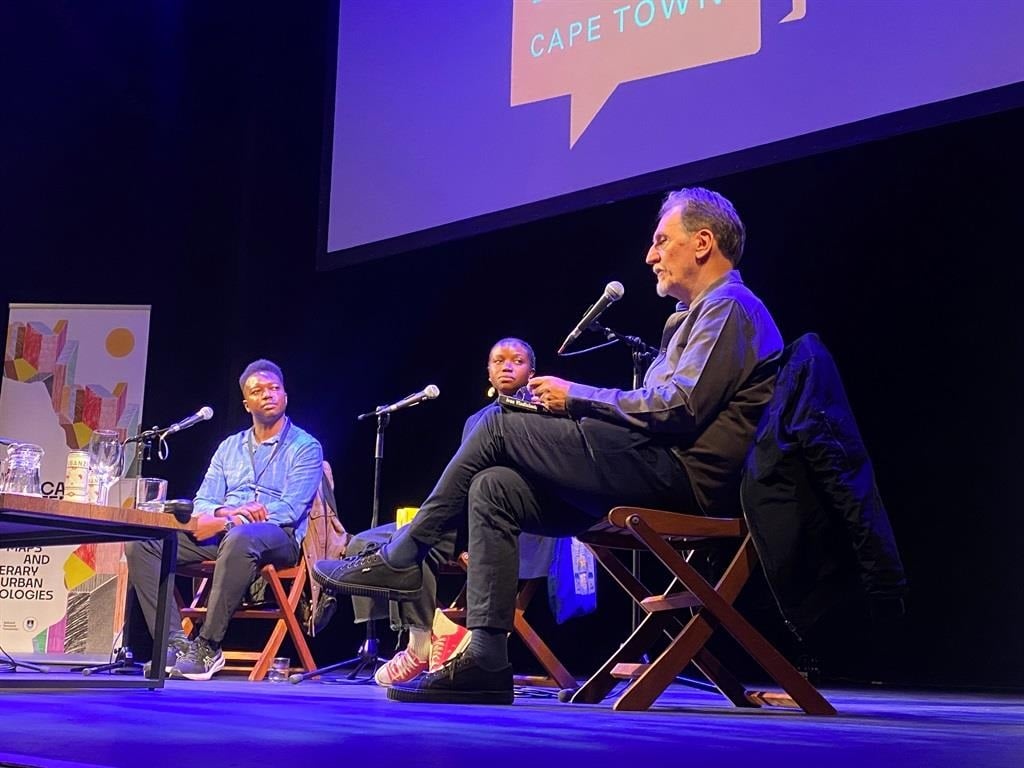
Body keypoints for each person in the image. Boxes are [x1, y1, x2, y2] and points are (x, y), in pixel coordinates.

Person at [314, 187, 784, 704]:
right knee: (494, 486)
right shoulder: (697, 316)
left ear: (702, 243)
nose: (650, 255)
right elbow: (659, 405)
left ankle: (406, 554)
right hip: (649, 464)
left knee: (496, 423)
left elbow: (679, 408)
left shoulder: (730, 307)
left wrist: (575, 397)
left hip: (679, 477)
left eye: (660, 241)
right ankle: (486, 660)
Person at [347, 338, 559, 688]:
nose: (507, 366)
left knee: (416, 542)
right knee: (363, 544)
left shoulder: (544, 412)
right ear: (488, 372)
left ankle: (420, 645)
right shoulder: (476, 420)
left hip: (509, 523)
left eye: (517, 361)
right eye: (498, 361)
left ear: (531, 372)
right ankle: (429, 631)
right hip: (459, 519)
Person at [126, 359, 323, 680]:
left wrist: (234, 521)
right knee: (145, 543)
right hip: (226, 536)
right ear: (247, 404)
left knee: (241, 537)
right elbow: (204, 500)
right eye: (258, 391)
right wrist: (223, 513)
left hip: (278, 537)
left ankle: (208, 646)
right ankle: (174, 642)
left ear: (285, 396)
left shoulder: (305, 447)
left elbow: (290, 508)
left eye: (275, 389)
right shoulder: (229, 447)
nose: (268, 395)